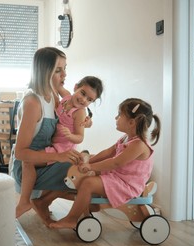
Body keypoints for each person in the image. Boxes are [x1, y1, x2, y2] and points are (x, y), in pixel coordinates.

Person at [50, 98, 161, 229]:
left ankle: (71, 219)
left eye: (119, 115)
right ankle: (90, 205)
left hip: (127, 185)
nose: (116, 117)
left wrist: (90, 166)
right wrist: (88, 160)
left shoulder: (138, 145)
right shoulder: (126, 138)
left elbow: (115, 163)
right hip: (118, 177)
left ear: (131, 122)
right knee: (89, 171)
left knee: (88, 183)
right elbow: (108, 152)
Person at [11, 47, 84, 226]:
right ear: (45, 72)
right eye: (58, 70)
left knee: (84, 163)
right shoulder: (33, 102)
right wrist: (59, 156)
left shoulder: (52, 95)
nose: (64, 74)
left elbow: (71, 106)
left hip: (46, 160)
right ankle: (34, 201)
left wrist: (84, 119)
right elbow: (21, 153)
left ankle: (42, 201)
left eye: (65, 68)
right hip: (28, 168)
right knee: (83, 170)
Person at [16, 76, 103, 218]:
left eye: (89, 100)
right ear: (75, 87)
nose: (83, 100)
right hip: (53, 144)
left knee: (28, 161)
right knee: (29, 161)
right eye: (82, 93)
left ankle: (24, 202)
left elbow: (80, 137)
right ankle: (39, 201)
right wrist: (34, 82)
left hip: (62, 149)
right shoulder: (66, 96)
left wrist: (70, 135)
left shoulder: (80, 112)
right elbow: (54, 84)